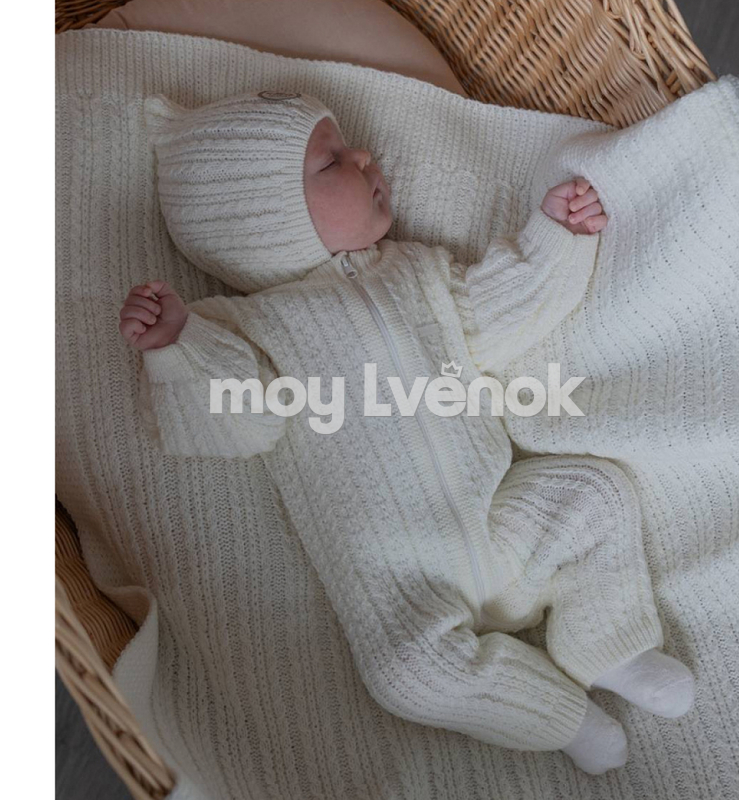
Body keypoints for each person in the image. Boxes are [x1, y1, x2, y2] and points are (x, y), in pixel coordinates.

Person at [119, 90, 694, 774]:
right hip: (402, 580)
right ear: (263, 218)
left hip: (498, 518)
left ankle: (610, 647)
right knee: (406, 676)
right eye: (332, 159)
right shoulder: (249, 328)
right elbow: (239, 421)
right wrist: (179, 346)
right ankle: (560, 716)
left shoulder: (414, 272)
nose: (364, 156)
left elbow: (495, 313)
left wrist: (555, 236)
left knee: (594, 494)